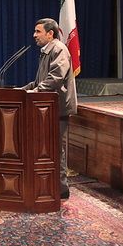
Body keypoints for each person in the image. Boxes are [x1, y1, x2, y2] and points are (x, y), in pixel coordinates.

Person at [19, 17, 77, 199]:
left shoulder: (59, 49)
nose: (34, 35)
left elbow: (55, 78)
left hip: (57, 108)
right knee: (48, 148)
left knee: (56, 147)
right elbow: (39, 81)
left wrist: (35, 92)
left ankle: (61, 189)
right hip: (46, 108)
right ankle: (48, 185)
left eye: (38, 31)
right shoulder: (46, 51)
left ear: (50, 33)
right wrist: (20, 91)